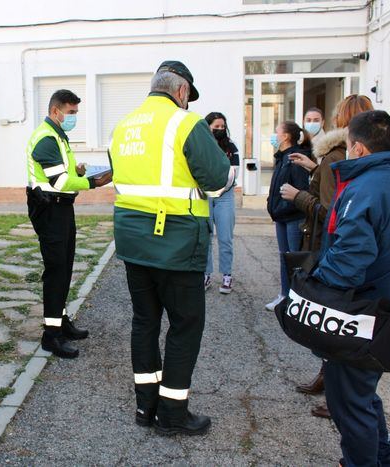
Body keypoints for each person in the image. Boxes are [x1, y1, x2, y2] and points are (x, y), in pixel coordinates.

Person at [110, 61, 230, 435]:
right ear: (180, 91)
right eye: (188, 97)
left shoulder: (124, 125)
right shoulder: (185, 123)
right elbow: (217, 181)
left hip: (133, 243)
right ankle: (173, 415)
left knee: (145, 323)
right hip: (177, 243)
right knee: (185, 326)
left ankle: (145, 408)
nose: (188, 104)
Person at [313, 110, 390, 467]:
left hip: (358, 319)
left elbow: (350, 257)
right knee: (364, 395)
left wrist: (315, 291)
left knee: (349, 405)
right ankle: (382, 458)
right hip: (387, 315)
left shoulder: (365, 188)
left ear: (356, 148)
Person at [280, 95, 374, 419]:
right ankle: (331, 385)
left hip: (328, 248)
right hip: (339, 252)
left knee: (332, 324)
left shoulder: (337, 157)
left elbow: (333, 213)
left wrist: (299, 196)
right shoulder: (342, 158)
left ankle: (337, 396)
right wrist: (314, 167)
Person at [26, 89, 111, 359]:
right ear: (56, 111)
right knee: (55, 271)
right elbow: (59, 182)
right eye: (71, 113)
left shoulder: (59, 136)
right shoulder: (46, 139)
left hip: (61, 209)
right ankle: (50, 336)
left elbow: (65, 173)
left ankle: (61, 322)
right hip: (50, 209)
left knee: (65, 268)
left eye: (75, 113)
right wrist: (93, 182)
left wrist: (79, 171)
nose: (74, 117)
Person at [265, 122, 313, 311]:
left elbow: (301, 189)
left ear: (285, 137)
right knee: (285, 257)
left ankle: (297, 300)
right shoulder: (282, 157)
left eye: (276, 132)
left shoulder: (295, 157)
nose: (274, 135)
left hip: (293, 216)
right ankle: (284, 296)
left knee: (295, 259)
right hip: (282, 216)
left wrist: (283, 207)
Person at [204, 112, 239, 294]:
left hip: (225, 195)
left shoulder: (231, 146)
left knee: (225, 238)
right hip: (205, 195)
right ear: (207, 126)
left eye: (222, 127)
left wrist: (219, 188)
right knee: (206, 238)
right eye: (216, 127)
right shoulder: (201, 145)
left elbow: (234, 172)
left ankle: (227, 276)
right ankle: (206, 275)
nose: (219, 130)